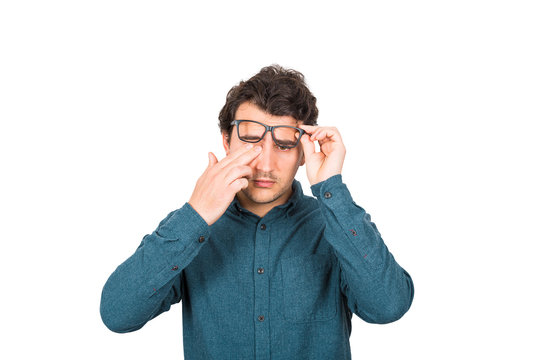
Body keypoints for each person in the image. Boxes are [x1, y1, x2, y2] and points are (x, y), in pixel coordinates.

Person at [100, 64, 414, 359]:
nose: (265, 163)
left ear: (303, 153)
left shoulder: (334, 223)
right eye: (251, 139)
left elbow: (388, 307)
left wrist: (331, 188)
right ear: (226, 141)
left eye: (284, 144)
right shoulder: (191, 229)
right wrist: (195, 215)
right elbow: (118, 314)